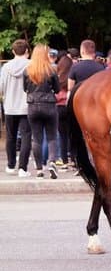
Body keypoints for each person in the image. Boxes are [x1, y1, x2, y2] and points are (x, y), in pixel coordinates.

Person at [23, 44, 60, 179]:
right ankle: (52, 162)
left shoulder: (28, 70)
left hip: (33, 105)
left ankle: (39, 169)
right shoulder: (51, 70)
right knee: (51, 137)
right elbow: (57, 89)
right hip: (49, 105)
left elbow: (24, 88)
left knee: (36, 138)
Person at [0, 39, 32, 177]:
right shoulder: (31, 66)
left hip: (9, 107)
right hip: (26, 106)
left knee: (11, 137)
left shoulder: (5, 67)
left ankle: (10, 165)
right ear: (27, 51)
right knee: (26, 137)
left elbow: (1, 87)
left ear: (13, 51)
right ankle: (23, 168)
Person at [54, 50, 73, 169]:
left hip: (58, 107)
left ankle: (64, 160)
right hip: (70, 106)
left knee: (62, 135)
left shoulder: (57, 77)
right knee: (72, 133)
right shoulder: (72, 76)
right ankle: (73, 158)